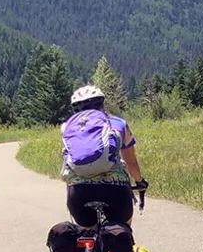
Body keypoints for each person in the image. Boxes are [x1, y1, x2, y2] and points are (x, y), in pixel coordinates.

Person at [62, 84, 147, 228]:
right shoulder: (118, 124)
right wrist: (140, 182)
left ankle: (87, 249)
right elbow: (131, 162)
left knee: (86, 234)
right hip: (115, 189)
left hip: (78, 192)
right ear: (102, 103)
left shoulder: (67, 128)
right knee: (121, 235)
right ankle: (121, 247)